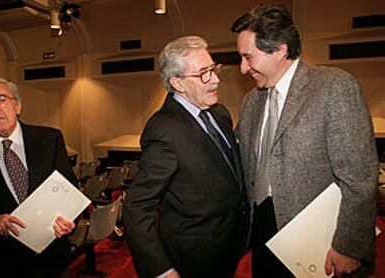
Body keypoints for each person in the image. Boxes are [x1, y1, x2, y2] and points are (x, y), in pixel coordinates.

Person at [231, 4, 378, 278]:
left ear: (280, 50)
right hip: (262, 238)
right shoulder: (251, 101)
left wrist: (348, 246)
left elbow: (360, 177)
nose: (242, 68)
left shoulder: (333, 86)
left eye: (248, 57)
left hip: (320, 246)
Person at [123, 36, 249, 278]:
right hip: (193, 257)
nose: (215, 79)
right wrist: (162, 270)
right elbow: (137, 206)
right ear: (177, 83)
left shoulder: (220, 113)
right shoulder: (163, 130)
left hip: (230, 246)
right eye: (204, 73)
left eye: (213, 69)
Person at [0, 76, 78, 277]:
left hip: (53, 259)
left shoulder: (50, 139)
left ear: (17, 105)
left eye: (1, 99)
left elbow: (69, 188)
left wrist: (69, 221)